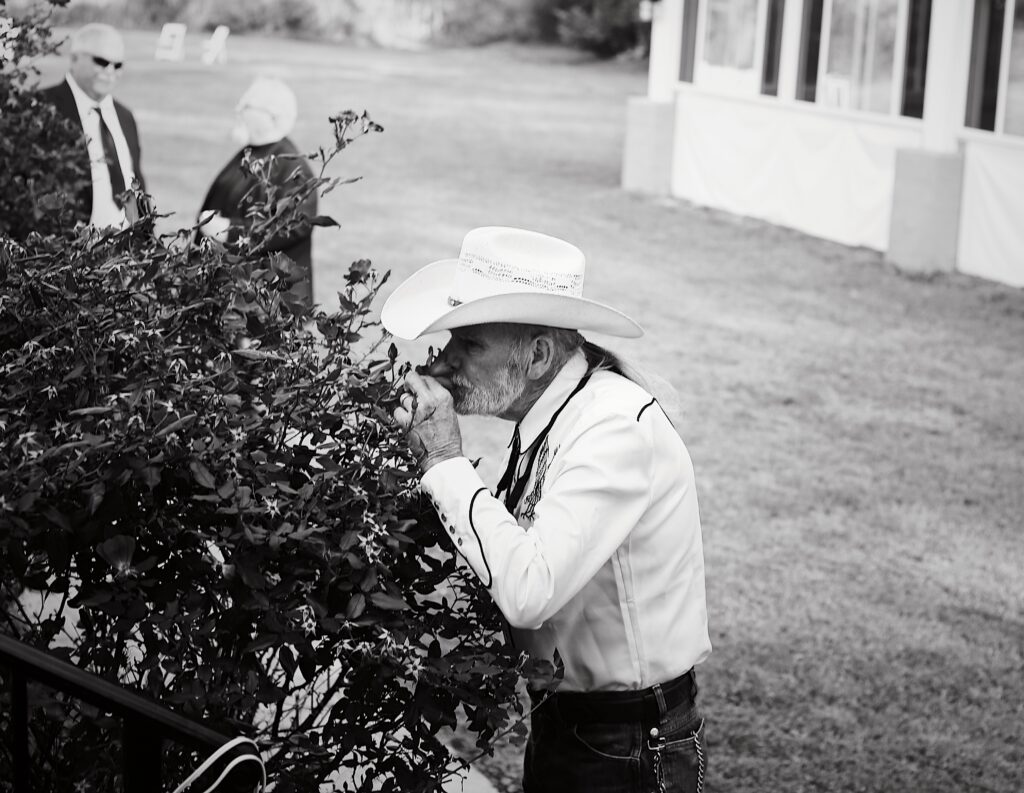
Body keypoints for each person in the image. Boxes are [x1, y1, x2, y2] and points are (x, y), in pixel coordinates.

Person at [383, 226, 712, 793]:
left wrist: (442, 458)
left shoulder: (611, 429)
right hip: (578, 725)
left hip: (626, 743)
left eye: (469, 344)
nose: (443, 360)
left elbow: (529, 592)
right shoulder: (556, 413)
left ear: (536, 354)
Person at [196, 77, 317, 307]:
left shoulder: (293, 168)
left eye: (247, 105)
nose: (238, 110)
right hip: (237, 296)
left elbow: (292, 225)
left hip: (269, 306)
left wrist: (230, 231)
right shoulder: (250, 154)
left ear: (272, 117)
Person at [39, 23, 146, 228]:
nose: (110, 71)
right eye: (101, 61)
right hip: (67, 250)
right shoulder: (43, 107)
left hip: (129, 251)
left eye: (118, 65)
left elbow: (136, 181)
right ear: (74, 58)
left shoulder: (125, 117)